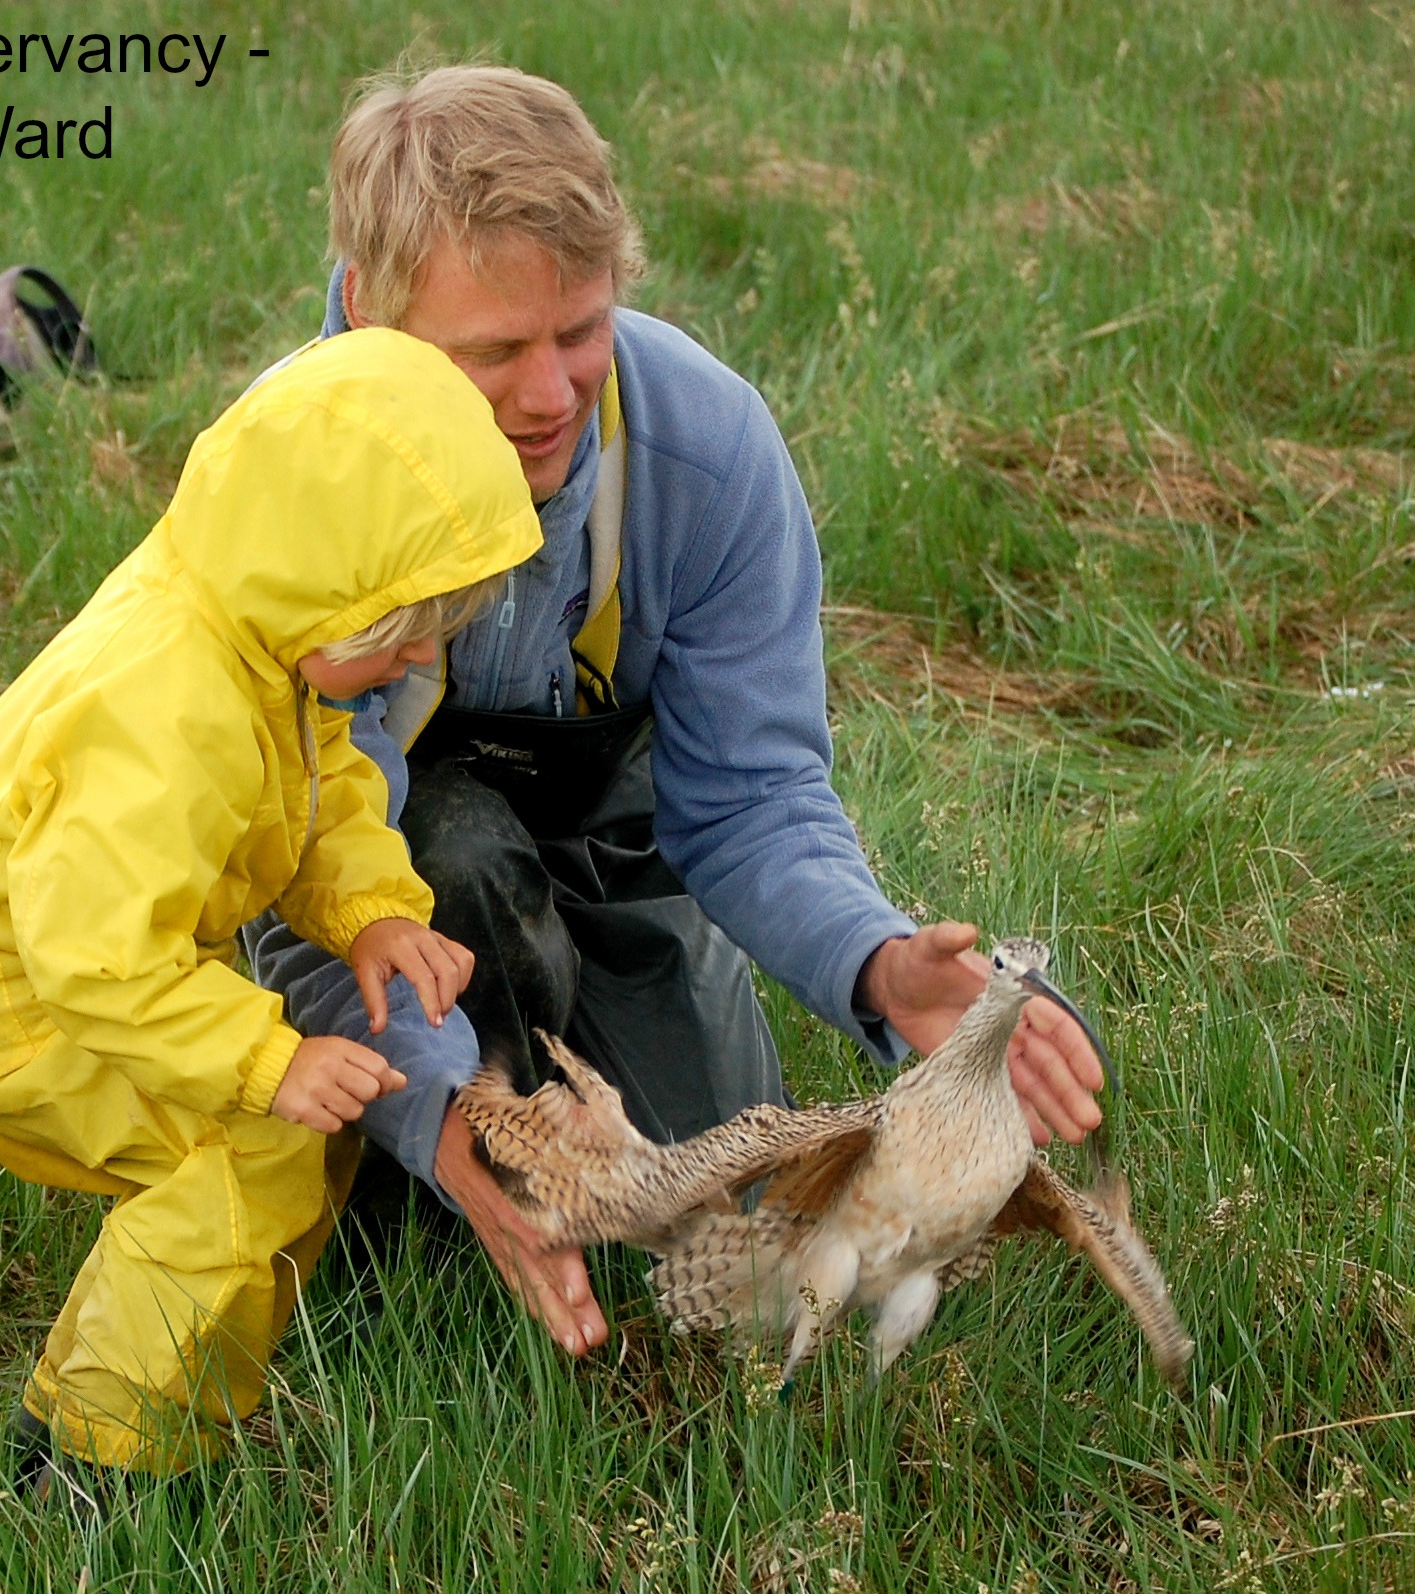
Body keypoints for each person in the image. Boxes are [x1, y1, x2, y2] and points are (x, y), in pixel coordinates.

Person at [246, 66, 1109, 1361]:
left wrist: (877, 962)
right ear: (370, 309)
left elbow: (755, 801)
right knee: (449, 886)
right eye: (494, 352)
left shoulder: (706, 448)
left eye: (581, 331)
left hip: (615, 831)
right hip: (379, 878)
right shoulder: (274, 490)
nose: (552, 396)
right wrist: (444, 1122)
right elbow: (293, 882)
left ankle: (559, 1103)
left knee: (732, 1234)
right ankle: (437, 1187)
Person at [0, 329, 541, 1482]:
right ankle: (91, 1469)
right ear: (312, 574)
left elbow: (322, 789)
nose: (417, 654)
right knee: (233, 1146)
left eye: (432, 626)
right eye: (396, 626)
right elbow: (98, 957)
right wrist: (260, 1057)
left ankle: (197, 1407)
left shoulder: (262, 631)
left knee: (290, 1135)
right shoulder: (168, 708)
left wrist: (369, 910)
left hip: (56, 948)